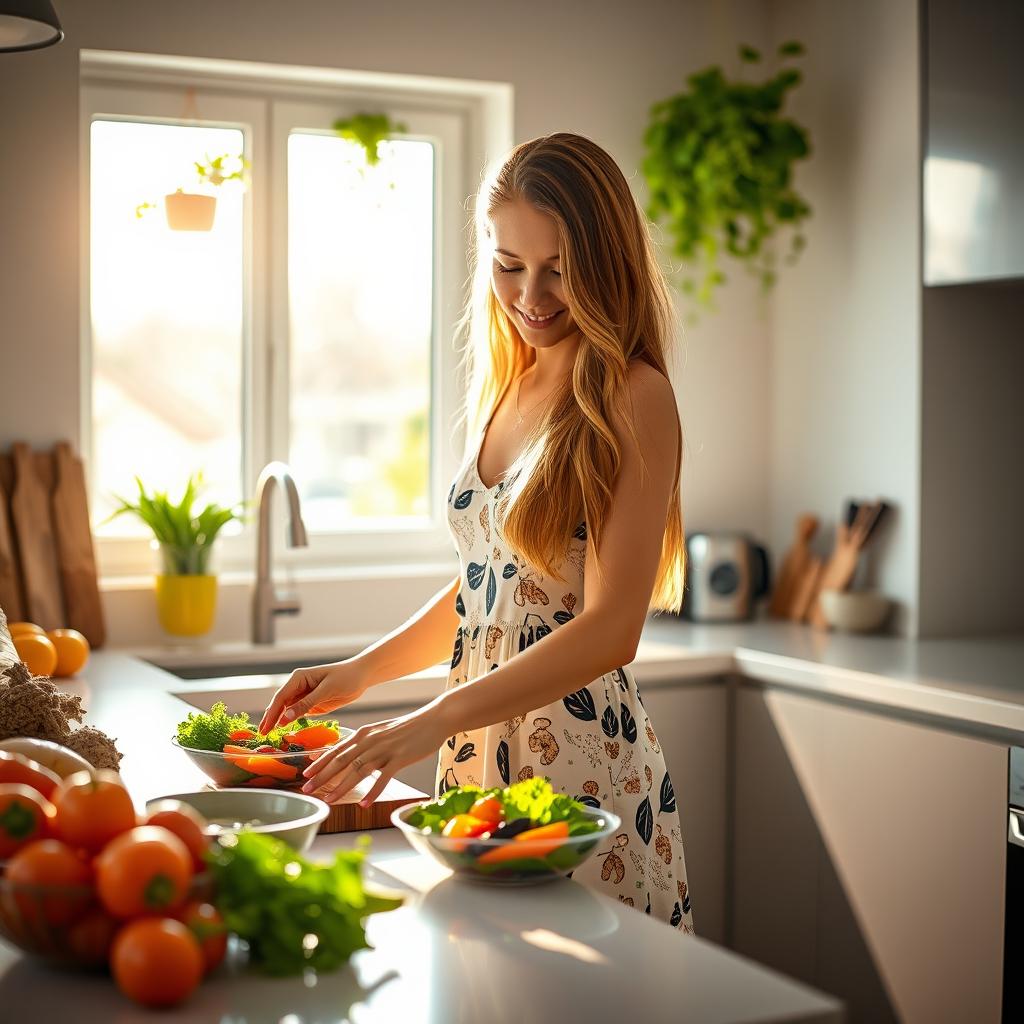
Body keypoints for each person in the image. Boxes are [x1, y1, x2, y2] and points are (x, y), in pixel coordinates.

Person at [259, 132, 694, 932]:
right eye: (508, 264)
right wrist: (361, 673)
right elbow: (493, 588)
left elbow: (610, 632)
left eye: (559, 267)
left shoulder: (635, 396)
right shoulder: (514, 382)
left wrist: (424, 722)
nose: (531, 293)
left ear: (609, 261)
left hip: (580, 770)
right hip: (480, 755)